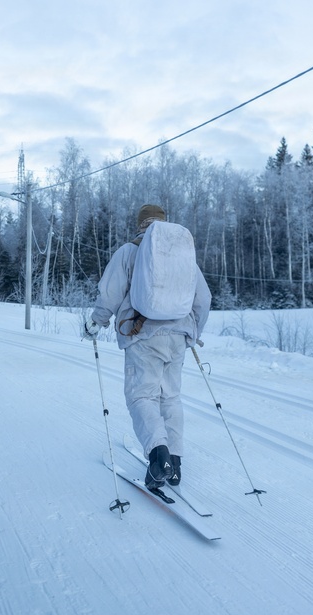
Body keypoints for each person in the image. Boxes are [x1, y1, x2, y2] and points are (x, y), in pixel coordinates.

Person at [83, 204, 211, 490]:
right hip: (178, 336)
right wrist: (193, 332)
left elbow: (110, 292)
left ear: (140, 225)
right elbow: (203, 297)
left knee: (142, 396)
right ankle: (175, 463)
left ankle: (158, 456)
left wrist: (96, 322)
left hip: (143, 335)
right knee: (171, 398)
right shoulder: (184, 258)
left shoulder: (129, 251)